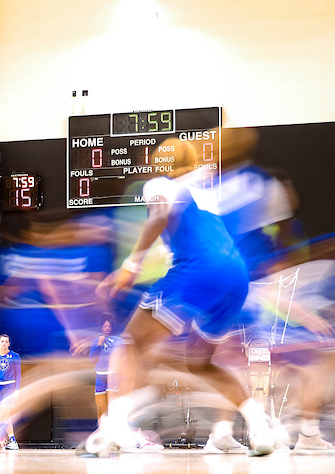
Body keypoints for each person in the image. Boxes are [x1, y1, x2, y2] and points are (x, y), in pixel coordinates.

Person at [88, 138, 275, 457]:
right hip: (236, 276)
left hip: (198, 270)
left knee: (131, 344)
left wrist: (131, 265)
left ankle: (114, 426)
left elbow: (158, 216)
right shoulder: (205, 193)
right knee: (200, 363)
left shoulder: (158, 184)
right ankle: (259, 427)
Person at [0, 334, 22, 450]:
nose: (4, 343)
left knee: (3, 413)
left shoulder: (15, 356)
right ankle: (12, 441)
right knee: (5, 415)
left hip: (10, 387)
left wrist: (17, 390)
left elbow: (18, 374)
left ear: (9, 344)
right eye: (2, 341)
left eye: (6, 341)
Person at [89, 316, 123, 421]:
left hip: (113, 375)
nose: (107, 328)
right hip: (100, 376)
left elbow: (124, 359)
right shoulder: (96, 340)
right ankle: (101, 427)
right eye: (105, 326)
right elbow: (92, 359)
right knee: (100, 406)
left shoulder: (119, 341)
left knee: (113, 405)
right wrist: (99, 345)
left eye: (109, 326)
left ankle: (114, 427)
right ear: (102, 328)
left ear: (112, 327)